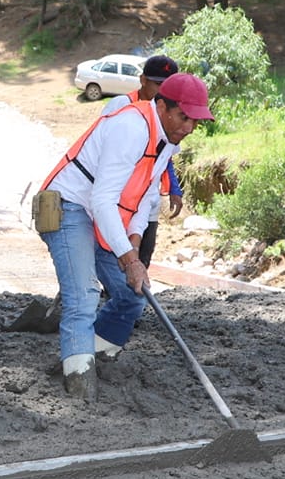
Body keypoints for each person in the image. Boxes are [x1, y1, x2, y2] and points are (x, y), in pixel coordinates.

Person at [37, 71, 213, 400]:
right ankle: (80, 386)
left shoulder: (167, 142)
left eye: (195, 122)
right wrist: (130, 259)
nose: (189, 128)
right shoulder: (130, 128)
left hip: (105, 216)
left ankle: (91, 355)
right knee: (84, 296)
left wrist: (133, 242)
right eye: (184, 117)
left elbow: (145, 198)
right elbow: (102, 199)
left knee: (132, 295)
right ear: (162, 106)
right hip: (70, 205)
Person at [101, 55, 188, 267]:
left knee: (142, 259)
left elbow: (165, 158)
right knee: (109, 261)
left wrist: (175, 189)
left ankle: (131, 299)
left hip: (145, 201)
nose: (163, 91)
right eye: (158, 84)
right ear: (142, 80)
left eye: (168, 85)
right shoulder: (121, 106)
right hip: (115, 200)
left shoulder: (171, 115)